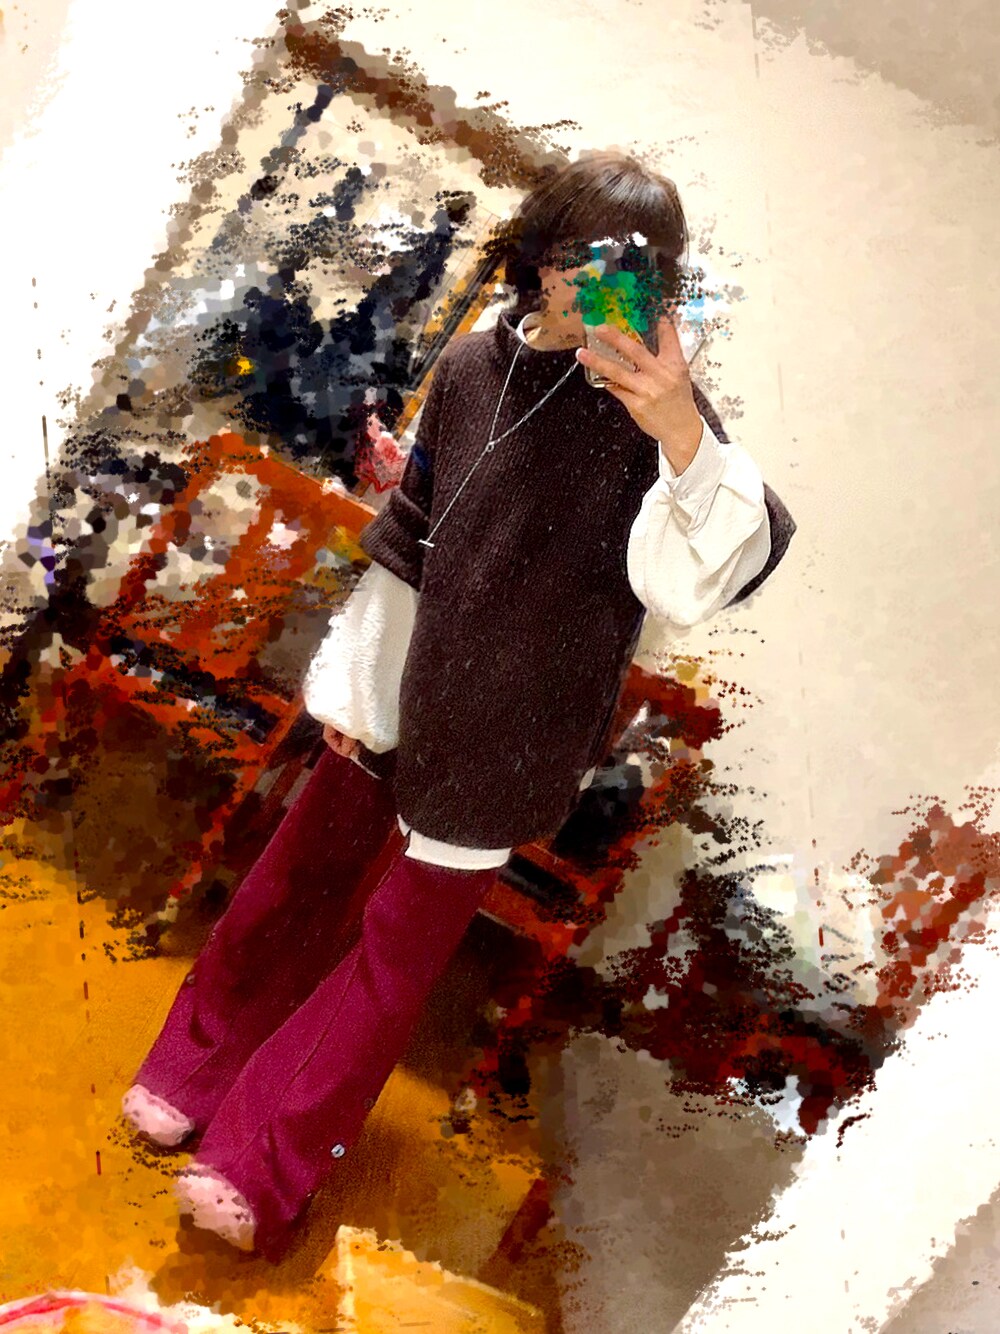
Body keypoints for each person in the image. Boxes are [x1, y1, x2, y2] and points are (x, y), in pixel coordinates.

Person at [121, 150, 794, 1255]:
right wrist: (359, 679)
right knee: (291, 888)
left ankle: (261, 1160)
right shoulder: (477, 362)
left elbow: (703, 573)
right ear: (541, 255)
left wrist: (678, 424)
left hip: (511, 730)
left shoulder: (655, 416)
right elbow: (420, 529)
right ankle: (190, 1070)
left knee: (390, 961)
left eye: (632, 270)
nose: (598, 289)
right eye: (582, 258)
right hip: (399, 675)